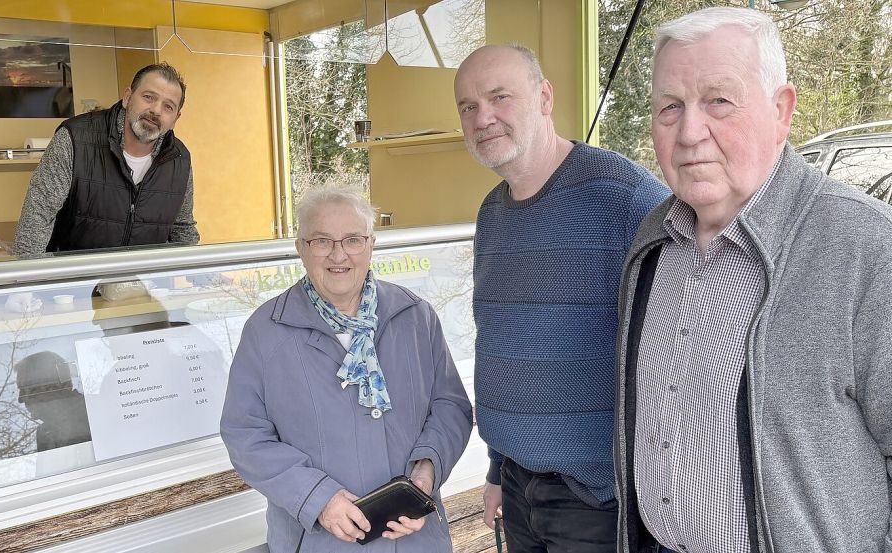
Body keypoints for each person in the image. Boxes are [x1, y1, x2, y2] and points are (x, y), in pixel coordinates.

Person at [614, 7, 892, 553]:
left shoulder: (866, 246)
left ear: (782, 109)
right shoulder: (652, 239)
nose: (690, 132)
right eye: (670, 107)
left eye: (719, 100)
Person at [454, 44, 669, 552]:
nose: (482, 117)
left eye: (499, 97)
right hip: (516, 484)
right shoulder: (492, 213)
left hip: (598, 497)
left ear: (545, 97)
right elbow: (501, 343)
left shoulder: (623, 196)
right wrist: (495, 469)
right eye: (467, 106)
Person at [219, 187, 473, 552]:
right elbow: (245, 435)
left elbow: (450, 407)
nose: (339, 255)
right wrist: (317, 498)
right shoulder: (266, 330)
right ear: (301, 248)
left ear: (371, 245)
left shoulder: (415, 316)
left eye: (353, 240)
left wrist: (426, 473)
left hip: (416, 538)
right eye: (322, 241)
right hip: (319, 543)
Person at [13, 62, 199, 255]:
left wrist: (205, 276)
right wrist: (31, 280)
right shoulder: (75, 138)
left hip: (142, 281)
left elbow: (182, 229)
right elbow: (37, 218)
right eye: (148, 97)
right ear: (127, 98)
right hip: (76, 279)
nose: (156, 110)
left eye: (168, 107)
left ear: (176, 118)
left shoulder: (179, 158)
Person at [15, 351, 92, 452]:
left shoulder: (95, 417)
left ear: (61, 386)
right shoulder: (43, 435)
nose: (20, 399)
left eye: (29, 389)